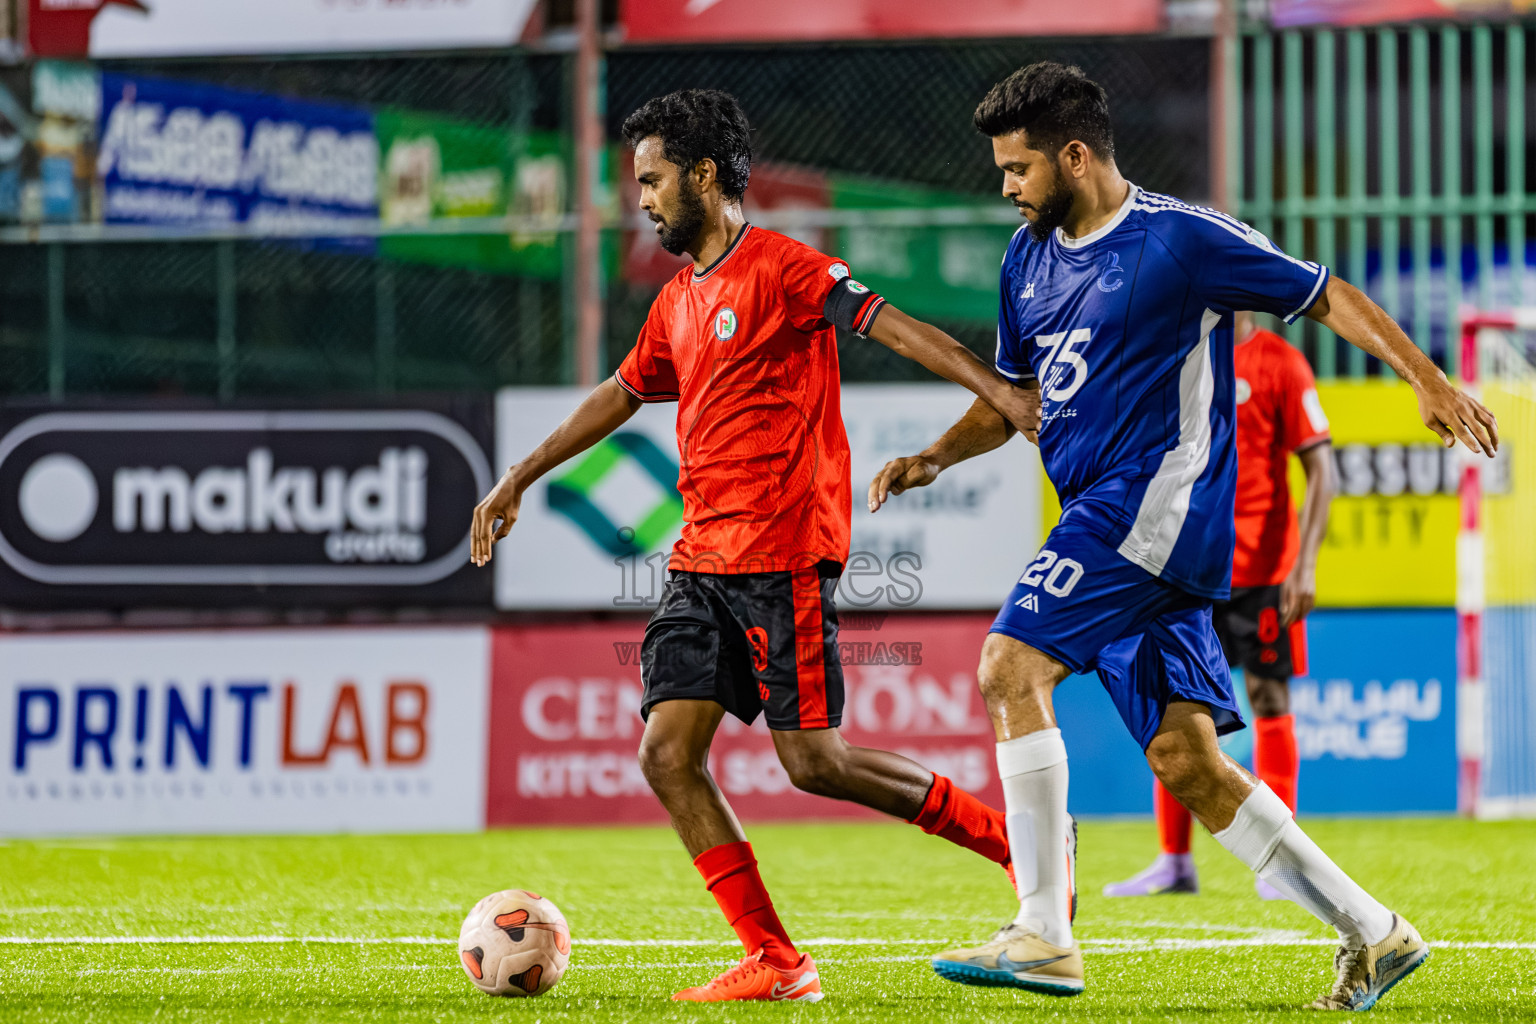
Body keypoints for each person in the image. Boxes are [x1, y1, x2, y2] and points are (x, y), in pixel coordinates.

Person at [869, 62, 1496, 1010]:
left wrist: (1428, 379)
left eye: (1019, 168)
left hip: (1151, 509)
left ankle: (1043, 930)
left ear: (1074, 156)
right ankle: (1375, 930)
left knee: (1007, 668)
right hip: (1118, 523)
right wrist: (933, 457)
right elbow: (1019, 405)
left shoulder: (1179, 240)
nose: (1007, 187)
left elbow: (1326, 295)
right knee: (1187, 761)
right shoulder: (1025, 261)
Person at [470, 89, 1053, 1004]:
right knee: (667, 755)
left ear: (703, 175)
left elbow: (897, 327)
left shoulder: (785, 269)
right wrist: (520, 477)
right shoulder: (676, 301)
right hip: (699, 561)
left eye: (654, 181)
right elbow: (622, 393)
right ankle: (779, 963)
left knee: (815, 762)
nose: (645, 201)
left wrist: (1006, 396)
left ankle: (1019, 844)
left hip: (782, 556)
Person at [1105, 313, 1337, 899]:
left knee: (1268, 696)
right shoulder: (1177, 354)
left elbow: (1322, 469)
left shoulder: (1280, 363)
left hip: (1262, 573)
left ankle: (1282, 865)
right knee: (1176, 708)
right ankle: (1174, 861)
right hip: (1187, 563)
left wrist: (1304, 565)